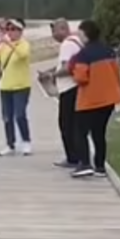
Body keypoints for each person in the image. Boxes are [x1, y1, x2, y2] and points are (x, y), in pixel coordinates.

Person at [67, 19, 120, 179]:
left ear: (85, 35)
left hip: (89, 100)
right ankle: (100, 166)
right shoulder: (109, 51)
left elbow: (81, 78)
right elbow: (117, 74)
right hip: (108, 100)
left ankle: (85, 164)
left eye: (80, 33)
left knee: (80, 132)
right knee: (99, 133)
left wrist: (73, 72)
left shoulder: (83, 55)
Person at [39, 19, 84, 169]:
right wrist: (51, 70)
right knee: (75, 124)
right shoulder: (76, 41)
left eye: (55, 31)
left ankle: (73, 158)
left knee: (66, 124)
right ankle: (79, 156)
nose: (53, 35)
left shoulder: (66, 44)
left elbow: (66, 69)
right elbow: (66, 64)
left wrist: (52, 76)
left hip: (69, 89)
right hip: (77, 87)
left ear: (64, 29)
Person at [0, 18, 32, 156]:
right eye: (8, 29)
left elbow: (22, 55)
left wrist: (9, 43)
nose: (10, 32)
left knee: (20, 115)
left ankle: (26, 141)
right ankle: (10, 144)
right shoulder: (4, 45)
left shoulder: (24, 44)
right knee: (7, 117)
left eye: (13, 29)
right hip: (6, 86)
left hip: (21, 86)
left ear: (20, 31)